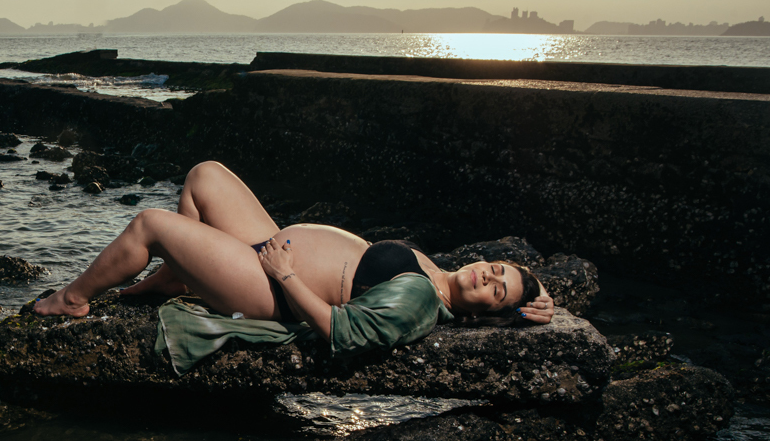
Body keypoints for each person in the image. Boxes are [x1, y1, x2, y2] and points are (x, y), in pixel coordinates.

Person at [35, 161, 554, 367]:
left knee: (151, 224)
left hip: (274, 289)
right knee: (205, 175)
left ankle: (72, 299)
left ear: (482, 312)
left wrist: (286, 274)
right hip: (271, 250)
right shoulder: (440, 274)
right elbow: (521, 300)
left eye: (497, 291)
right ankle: (176, 277)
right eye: (498, 269)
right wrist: (533, 300)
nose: (488, 276)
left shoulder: (420, 299)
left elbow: (341, 331)